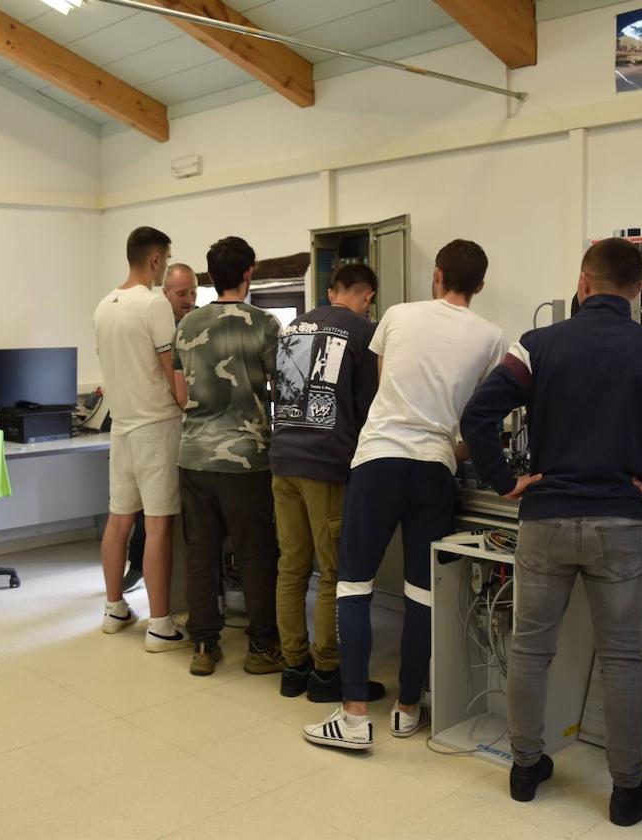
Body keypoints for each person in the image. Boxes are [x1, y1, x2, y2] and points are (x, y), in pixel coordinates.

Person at [459, 238, 642, 826]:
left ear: (582, 284)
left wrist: (506, 479)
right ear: (637, 291)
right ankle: (627, 792)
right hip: (619, 524)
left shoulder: (535, 346)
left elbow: (478, 415)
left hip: (545, 522)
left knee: (530, 649)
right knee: (623, 660)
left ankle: (526, 769)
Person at [303, 240, 505, 750]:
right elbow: (482, 418)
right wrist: (447, 448)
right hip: (434, 470)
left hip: (378, 459)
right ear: (479, 285)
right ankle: (408, 709)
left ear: (436, 275)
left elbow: (380, 388)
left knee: (354, 585)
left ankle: (352, 717)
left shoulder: (395, 315)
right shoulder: (492, 337)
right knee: (422, 590)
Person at [270, 263, 383, 702]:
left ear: (331, 290)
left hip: (283, 460)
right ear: (367, 295)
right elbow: (367, 406)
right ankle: (326, 673)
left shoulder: (293, 326)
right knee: (332, 570)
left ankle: (293, 667)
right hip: (326, 464)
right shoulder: (362, 332)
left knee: (291, 566)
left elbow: (281, 393)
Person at [173, 236, 284, 677]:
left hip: (194, 455)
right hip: (247, 459)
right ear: (249, 271)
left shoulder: (186, 324)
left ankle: (204, 645)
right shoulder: (265, 323)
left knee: (200, 552)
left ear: (209, 275)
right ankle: (261, 648)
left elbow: (182, 394)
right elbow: (284, 387)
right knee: (256, 553)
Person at [92, 226, 190, 653]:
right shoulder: (153, 305)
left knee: (118, 521)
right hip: (156, 427)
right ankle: (160, 625)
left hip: (122, 427)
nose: (165, 266)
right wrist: (192, 406)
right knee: (158, 527)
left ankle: (114, 609)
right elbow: (173, 374)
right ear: (155, 260)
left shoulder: (103, 306)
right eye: (166, 260)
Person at [123, 262, 200, 594]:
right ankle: (138, 566)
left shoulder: (197, 326)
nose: (189, 298)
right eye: (182, 293)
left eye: (194, 292)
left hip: (191, 431)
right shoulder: (155, 325)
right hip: (155, 423)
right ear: (165, 292)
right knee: (147, 511)